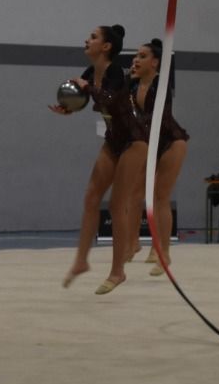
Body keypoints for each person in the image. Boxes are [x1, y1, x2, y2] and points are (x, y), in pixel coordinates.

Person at [55, 25, 147, 295]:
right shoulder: (89, 73)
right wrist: (68, 108)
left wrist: (89, 89)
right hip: (113, 140)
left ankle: (118, 272)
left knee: (117, 205)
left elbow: (111, 98)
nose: (87, 39)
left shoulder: (116, 71)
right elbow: (84, 98)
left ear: (106, 47)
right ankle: (81, 261)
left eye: (93, 37)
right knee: (91, 197)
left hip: (135, 140)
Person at [130, 38, 188, 276]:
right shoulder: (133, 87)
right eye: (136, 55)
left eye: (142, 56)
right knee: (134, 193)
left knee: (160, 197)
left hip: (171, 143)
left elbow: (157, 119)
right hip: (149, 144)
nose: (136, 59)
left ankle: (164, 252)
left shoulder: (160, 85)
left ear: (155, 63)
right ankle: (135, 243)